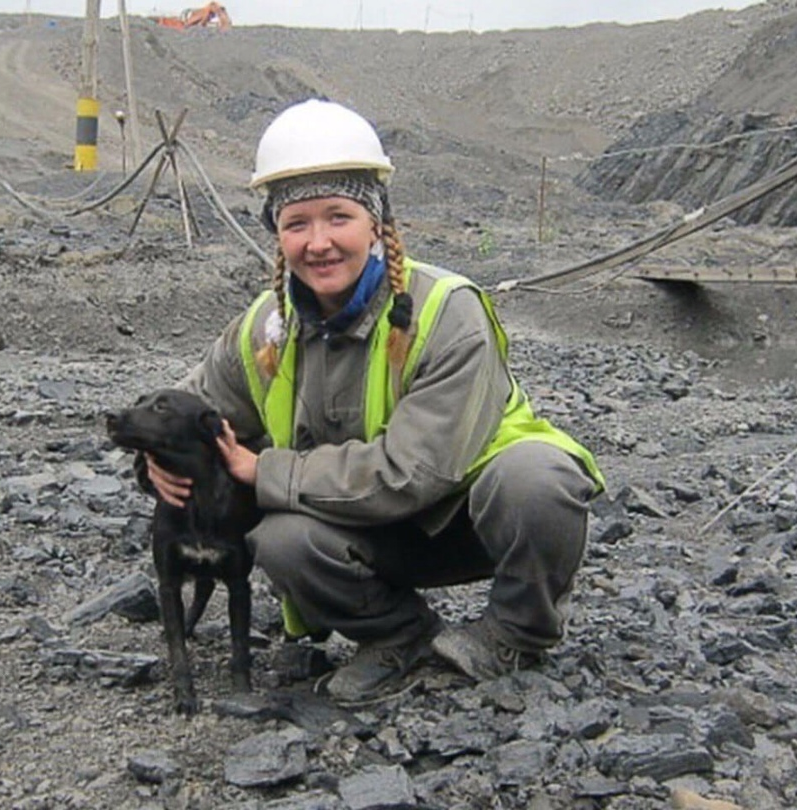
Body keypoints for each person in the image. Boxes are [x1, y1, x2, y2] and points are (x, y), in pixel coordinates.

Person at [141, 98, 606, 703]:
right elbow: (191, 405)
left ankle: (513, 634)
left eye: (339, 217)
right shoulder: (264, 329)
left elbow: (416, 471)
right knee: (280, 540)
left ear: (376, 223)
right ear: (277, 236)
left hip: (466, 518)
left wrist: (267, 471)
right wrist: (157, 460)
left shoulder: (446, 310)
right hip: (365, 531)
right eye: (296, 223)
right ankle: (400, 638)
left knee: (536, 478)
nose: (319, 242)